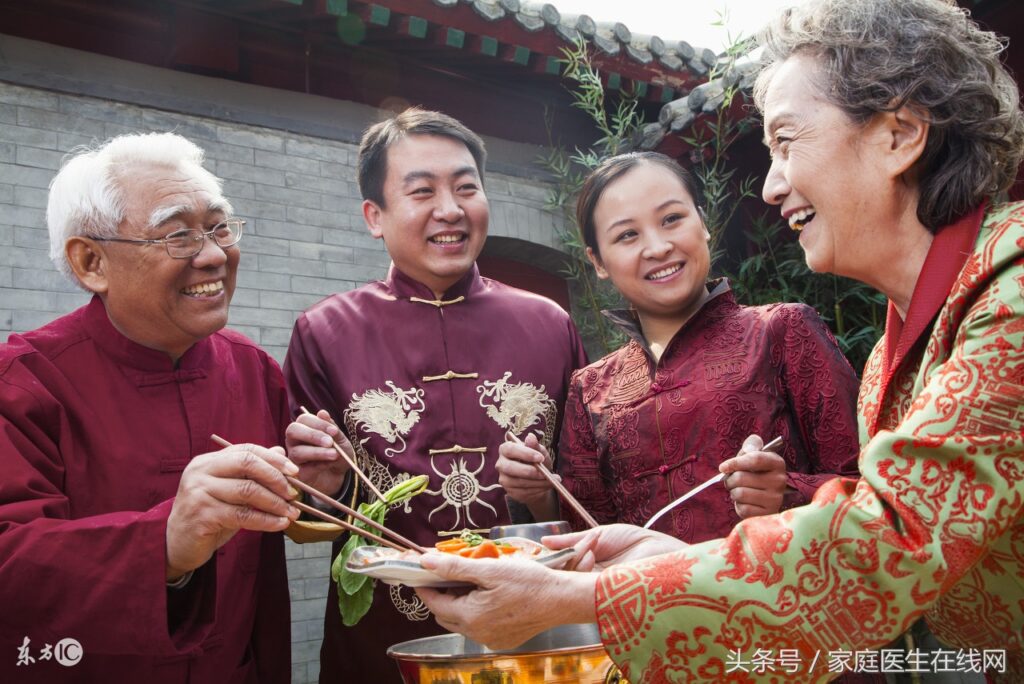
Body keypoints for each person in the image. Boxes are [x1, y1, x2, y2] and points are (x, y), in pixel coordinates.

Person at [416, 0, 1024, 680]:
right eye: (624, 236)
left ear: (900, 134)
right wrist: (651, 554)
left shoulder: (1011, 294)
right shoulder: (892, 351)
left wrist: (583, 595)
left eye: (787, 142)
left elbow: (881, 542)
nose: (769, 186)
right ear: (596, 260)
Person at [0, 132, 341, 682]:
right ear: (91, 262)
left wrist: (317, 490)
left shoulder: (252, 370)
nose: (213, 255)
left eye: (219, 227)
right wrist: (164, 543)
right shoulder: (23, 382)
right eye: (177, 235)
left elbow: (281, 528)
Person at [283, 108, 588, 681]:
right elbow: (306, 518)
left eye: (466, 187)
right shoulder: (324, 331)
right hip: (382, 633)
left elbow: (593, 492)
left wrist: (545, 494)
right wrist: (319, 490)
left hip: (533, 627)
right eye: (422, 191)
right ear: (375, 215)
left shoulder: (550, 323)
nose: (450, 210)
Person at [497, 152, 861, 542]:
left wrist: (787, 492)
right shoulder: (591, 388)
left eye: (672, 219)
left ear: (703, 223)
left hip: (774, 596)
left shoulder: (782, 330)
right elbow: (589, 531)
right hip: (641, 600)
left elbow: (868, 490)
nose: (657, 247)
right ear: (598, 261)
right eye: (627, 235)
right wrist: (540, 495)